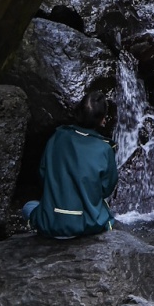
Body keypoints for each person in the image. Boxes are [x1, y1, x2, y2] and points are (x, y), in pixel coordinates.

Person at [21, 87, 118, 238]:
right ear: (102, 119)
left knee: (29, 206)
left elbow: (43, 174)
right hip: (87, 224)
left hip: (50, 223)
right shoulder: (105, 149)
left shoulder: (56, 137)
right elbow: (106, 188)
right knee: (105, 212)